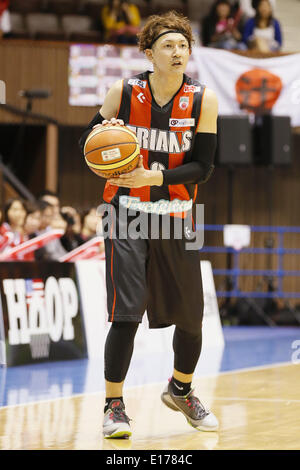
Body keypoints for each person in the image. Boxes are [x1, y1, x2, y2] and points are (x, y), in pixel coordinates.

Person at [79, 11, 219, 439]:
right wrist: (107, 131)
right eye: (168, 46)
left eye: (183, 46)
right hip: (124, 212)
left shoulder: (202, 99)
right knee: (125, 314)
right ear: (148, 52)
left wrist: (154, 177)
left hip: (180, 216)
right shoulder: (122, 91)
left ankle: (180, 389)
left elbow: (203, 168)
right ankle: (114, 406)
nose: (178, 53)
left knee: (192, 319)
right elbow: (89, 142)